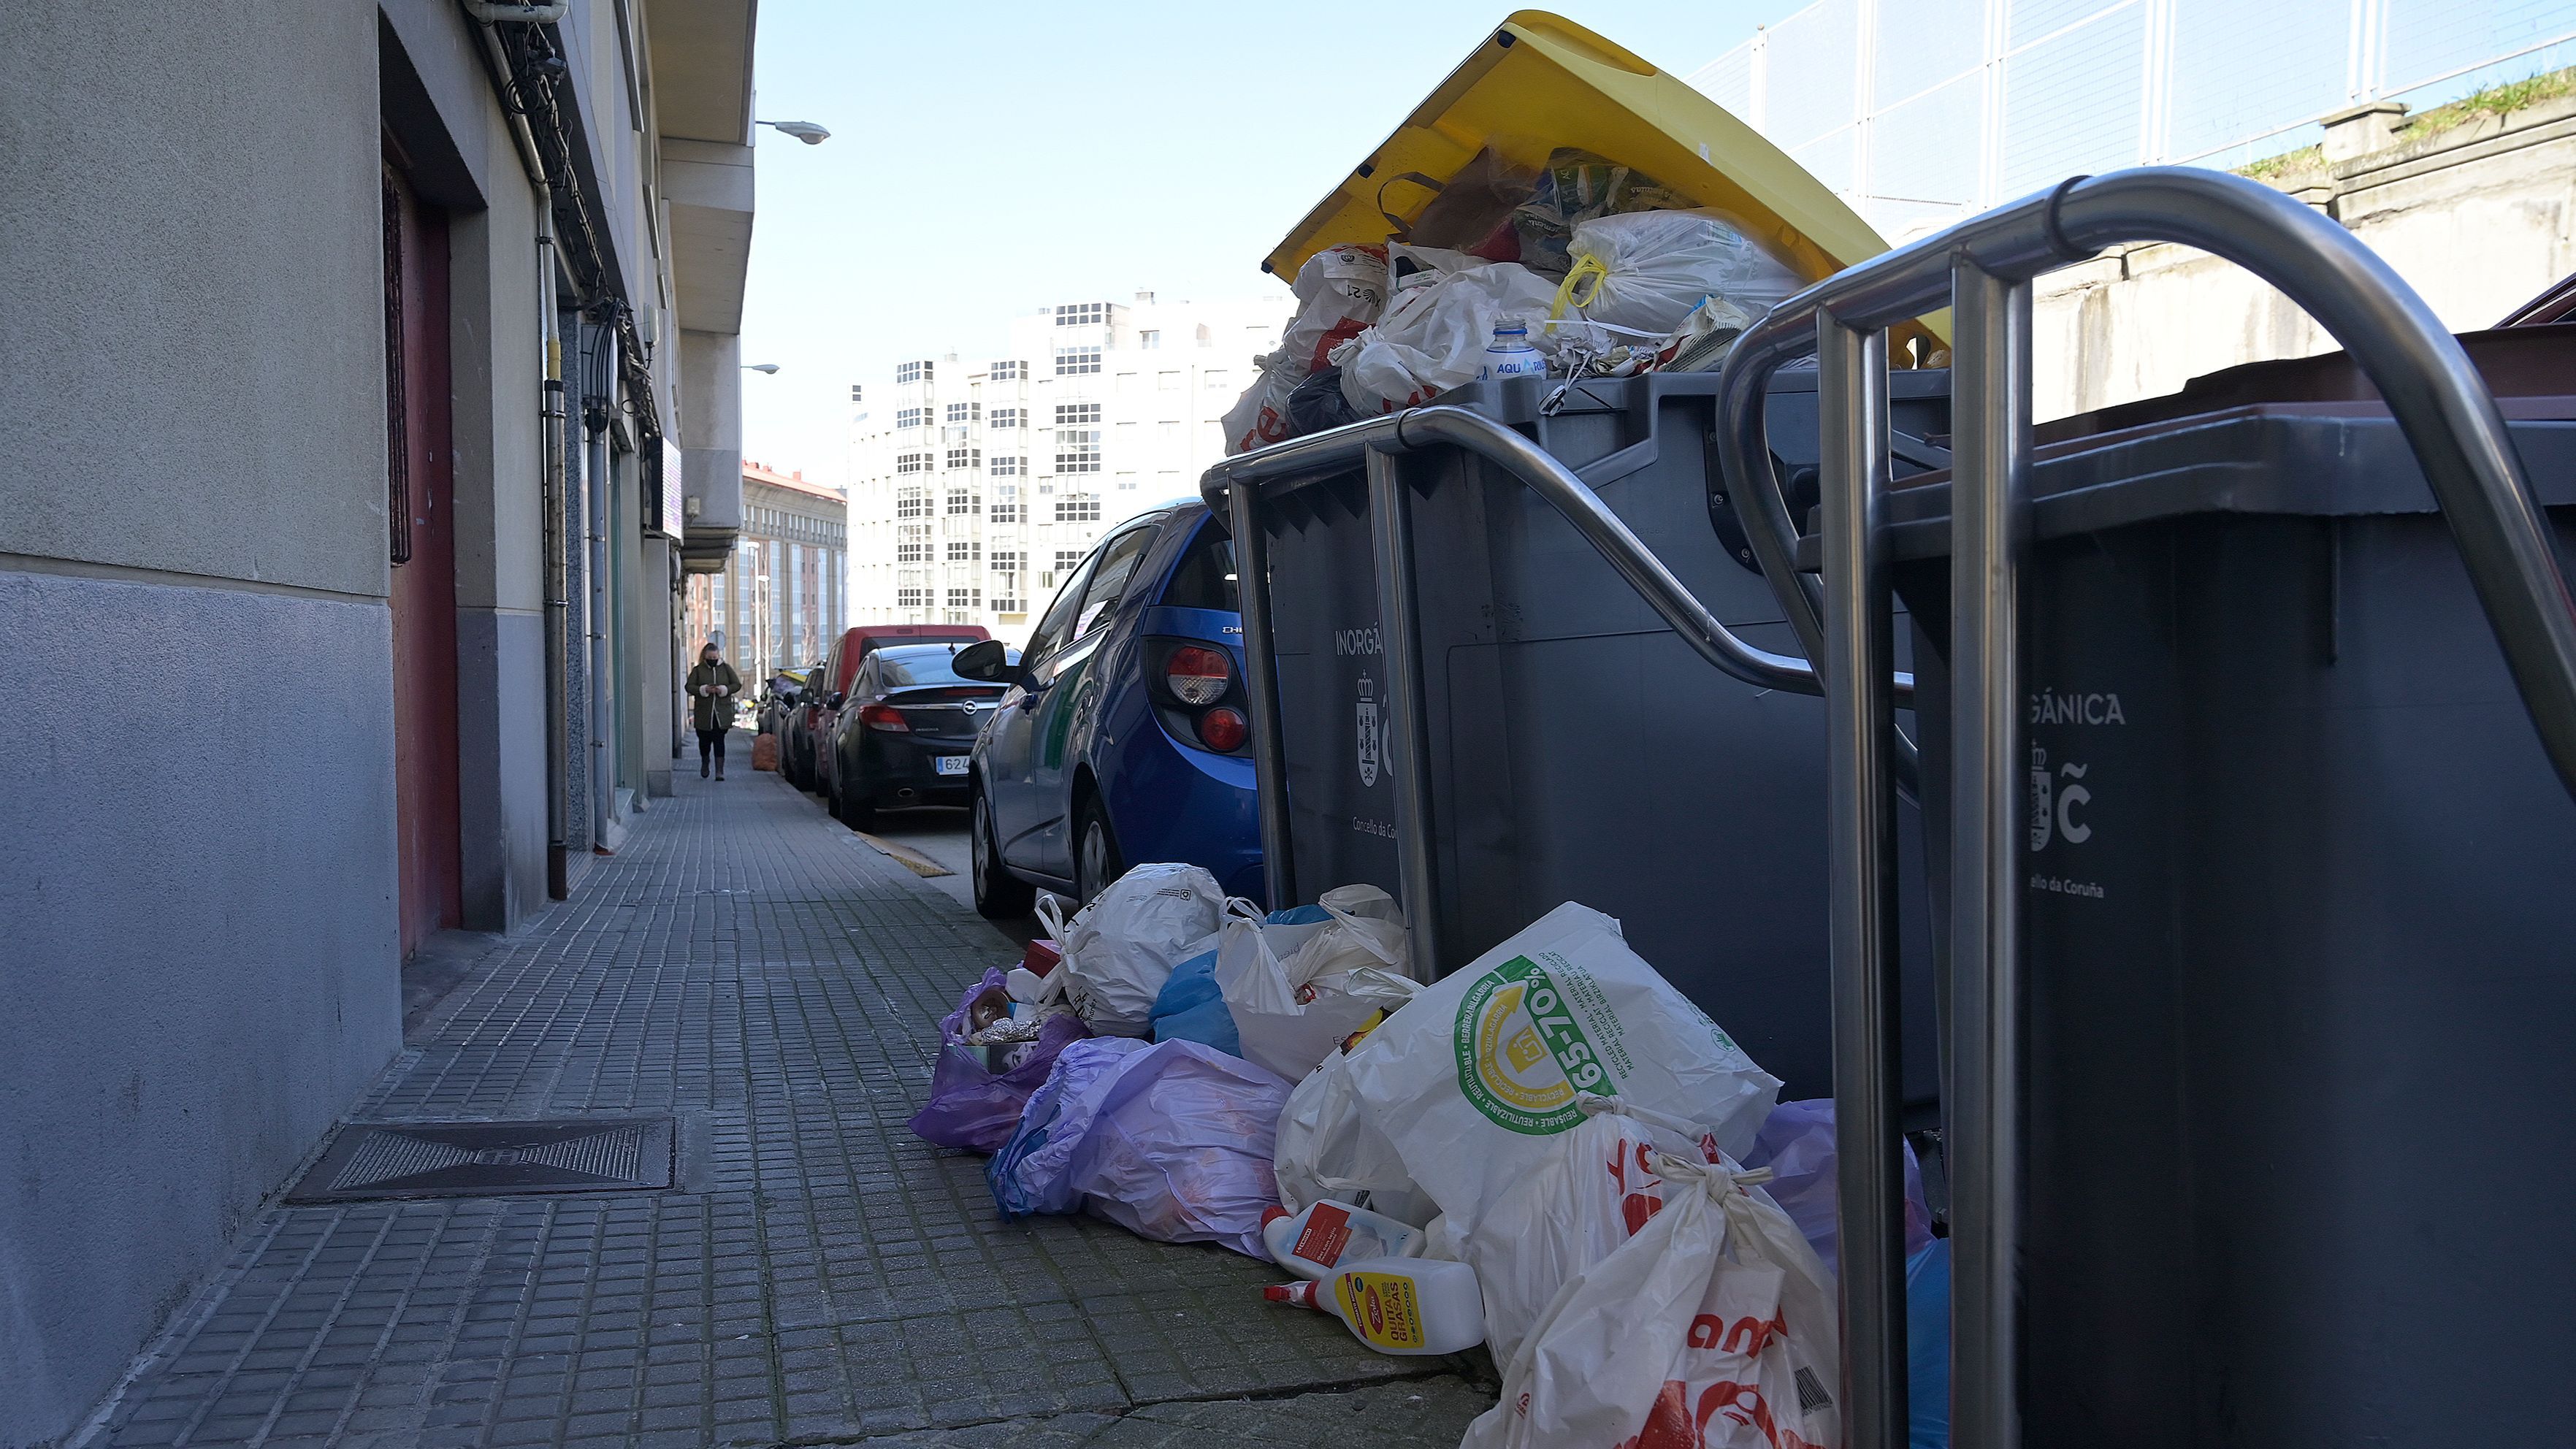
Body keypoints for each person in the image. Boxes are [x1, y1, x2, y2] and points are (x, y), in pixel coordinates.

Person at [686, 641, 744, 780]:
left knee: (719, 741)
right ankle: (705, 762)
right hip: (704, 713)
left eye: (715, 658)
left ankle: (719, 771)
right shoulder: (698, 670)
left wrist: (724, 689)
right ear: (705, 657)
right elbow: (689, 687)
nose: (713, 660)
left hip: (721, 713)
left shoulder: (726, 668)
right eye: (710, 658)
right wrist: (704, 689)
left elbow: (736, 684)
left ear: (719, 656)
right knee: (704, 742)